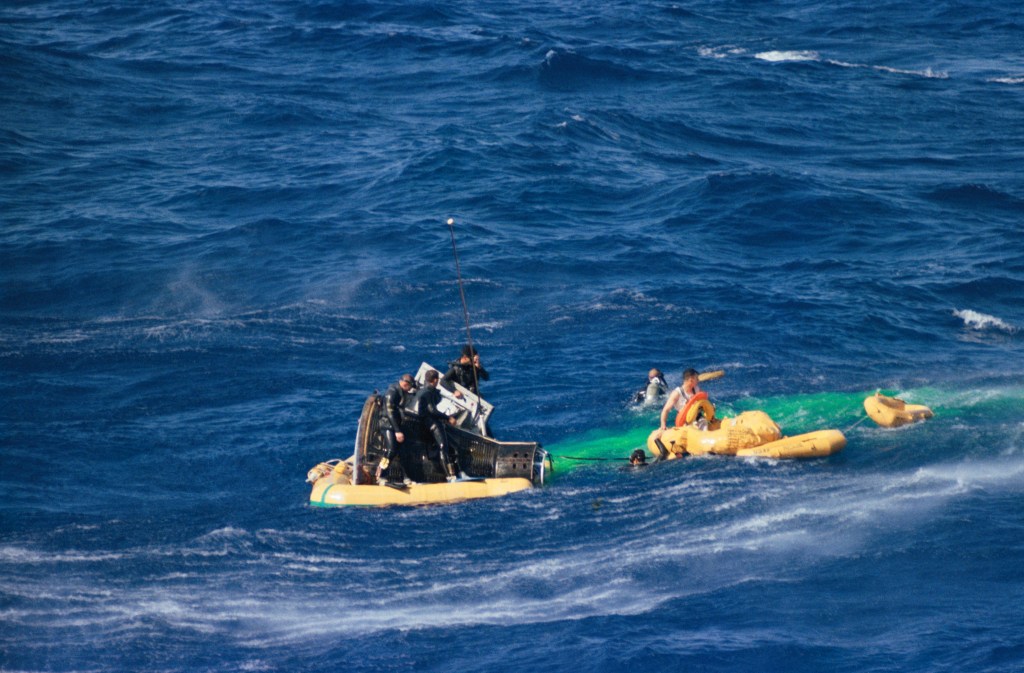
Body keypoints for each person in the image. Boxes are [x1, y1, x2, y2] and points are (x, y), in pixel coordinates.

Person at [410, 369, 462, 481]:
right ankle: (450, 475)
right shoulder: (428, 392)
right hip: (430, 422)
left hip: (419, 423)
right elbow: (432, 410)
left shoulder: (421, 391)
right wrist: (448, 418)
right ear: (435, 380)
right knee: (443, 447)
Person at [375, 373, 416, 484]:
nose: (409, 390)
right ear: (404, 383)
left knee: (402, 451)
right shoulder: (392, 392)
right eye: (409, 387)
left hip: (396, 424)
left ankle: (405, 476)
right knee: (391, 449)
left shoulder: (402, 391)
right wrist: (397, 431)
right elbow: (390, 413)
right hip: (387, 424)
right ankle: (381, 474)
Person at [656, 368, 703, 437]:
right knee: (694, 429)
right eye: (696, 378)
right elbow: (666, 410)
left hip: (698, 417)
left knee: (703, 423)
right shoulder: (677, 393)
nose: (698, 380)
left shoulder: (696, 389)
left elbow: (703, 403)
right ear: (691, 380)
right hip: (685, 421)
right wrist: (663, 425)